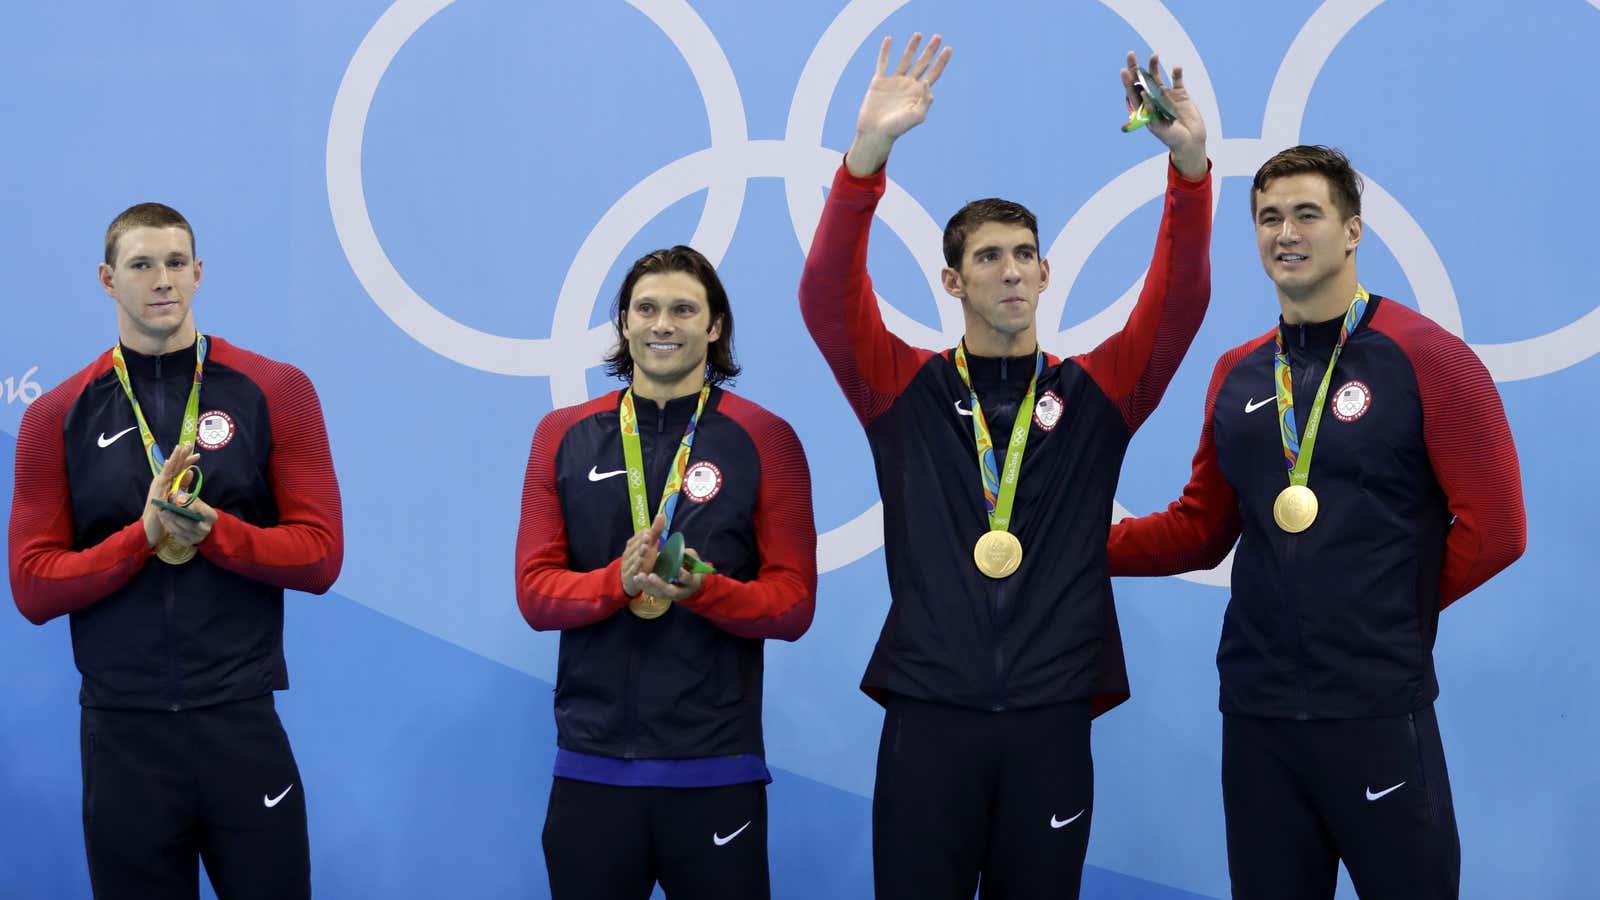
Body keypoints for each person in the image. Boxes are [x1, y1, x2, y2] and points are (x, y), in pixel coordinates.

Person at [798, 33, 1213, 898]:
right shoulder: (900, 389)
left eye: (1025, 254)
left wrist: (1190, 175)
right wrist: (865, 162)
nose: (1011, 270)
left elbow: (1177, 305)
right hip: (930, 714)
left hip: (1051, 717)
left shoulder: (1096, 394)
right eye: (988, 257)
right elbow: (826, 299)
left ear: (1048, 271)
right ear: (952, 282)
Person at [1107, 145, 1526, 899]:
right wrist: (1076, 547)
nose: (1286, 233)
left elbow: (1498, 529)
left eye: (1308, 213)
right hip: (1259, 714)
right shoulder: (1238, 372)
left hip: (1374, 710)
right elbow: (1200, 528)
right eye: (1269, 217)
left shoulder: (1429, 358)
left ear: (1353, 230)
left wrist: (1381, 612)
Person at [8, 202, 344, 900]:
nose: (162, 280)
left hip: (239, 724)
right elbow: (33, 585)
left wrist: (213, 532)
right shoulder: (55, 415)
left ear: (199, 272)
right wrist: (144, 539)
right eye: (141, 265)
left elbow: (319, 555)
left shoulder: (275, 390)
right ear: (107, 280)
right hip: (122, 737)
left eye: (175, 263)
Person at [515, 245, 817, 900]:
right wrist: (613, 584)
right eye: (647, 308)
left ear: (715, 327)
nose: (663, 324)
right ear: (623, 323)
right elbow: (536, 594)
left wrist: (705, 592)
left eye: (684, 309)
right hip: (592, 768)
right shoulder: (562, 434)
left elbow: (793, 604)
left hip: (715, 768)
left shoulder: (766, 437)